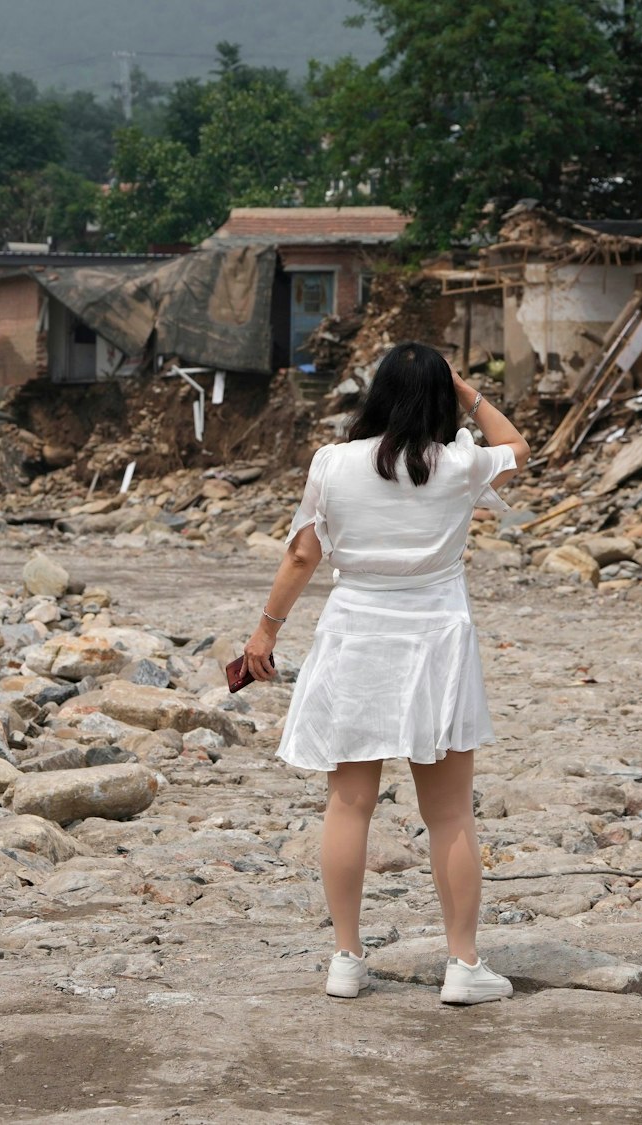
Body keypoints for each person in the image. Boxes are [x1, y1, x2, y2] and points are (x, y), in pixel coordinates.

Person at [241, 341, 530, 1005]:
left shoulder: (334, 463)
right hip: (436, 641)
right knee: (450, 810)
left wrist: (265, 631)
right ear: (440, 397)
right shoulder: (458, 463)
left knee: (349, 803)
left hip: (356, 635)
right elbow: (519, 447)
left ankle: (345, 956)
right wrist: (469, 392)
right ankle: (462, 964)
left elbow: (301, 556)